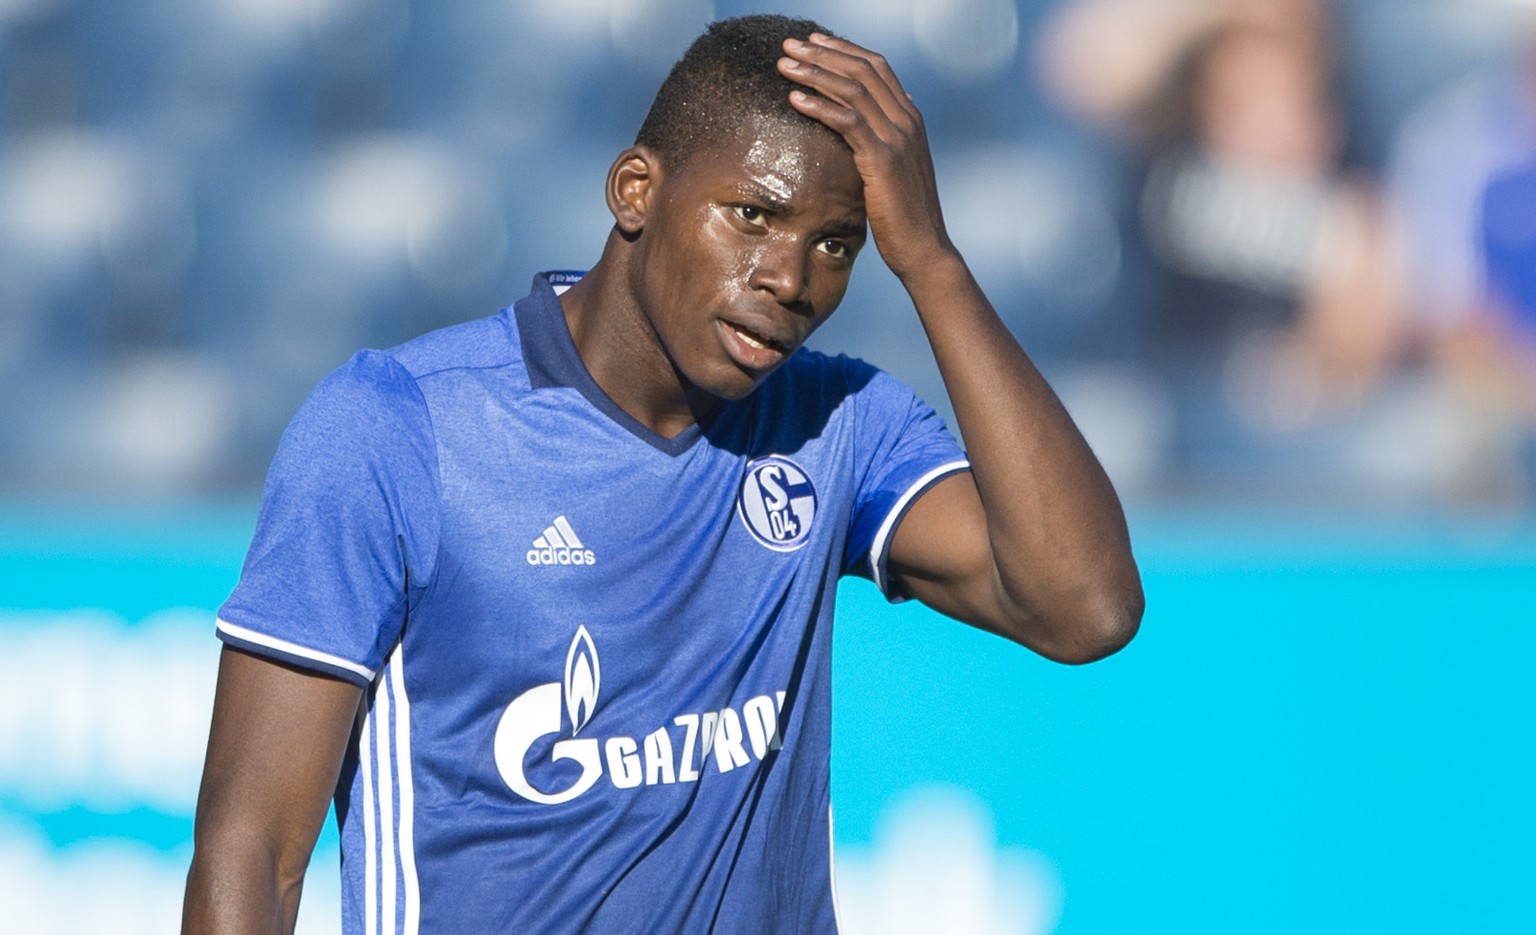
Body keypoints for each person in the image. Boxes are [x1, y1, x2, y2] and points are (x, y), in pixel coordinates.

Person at [182, 14, 1142, 934]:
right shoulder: (394, 427)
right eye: (753, 215)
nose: (790, 278)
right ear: (635, 190)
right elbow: (252, 849)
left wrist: (932, 261)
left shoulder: (838, 422)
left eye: (836, 245)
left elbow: (1084, 607)